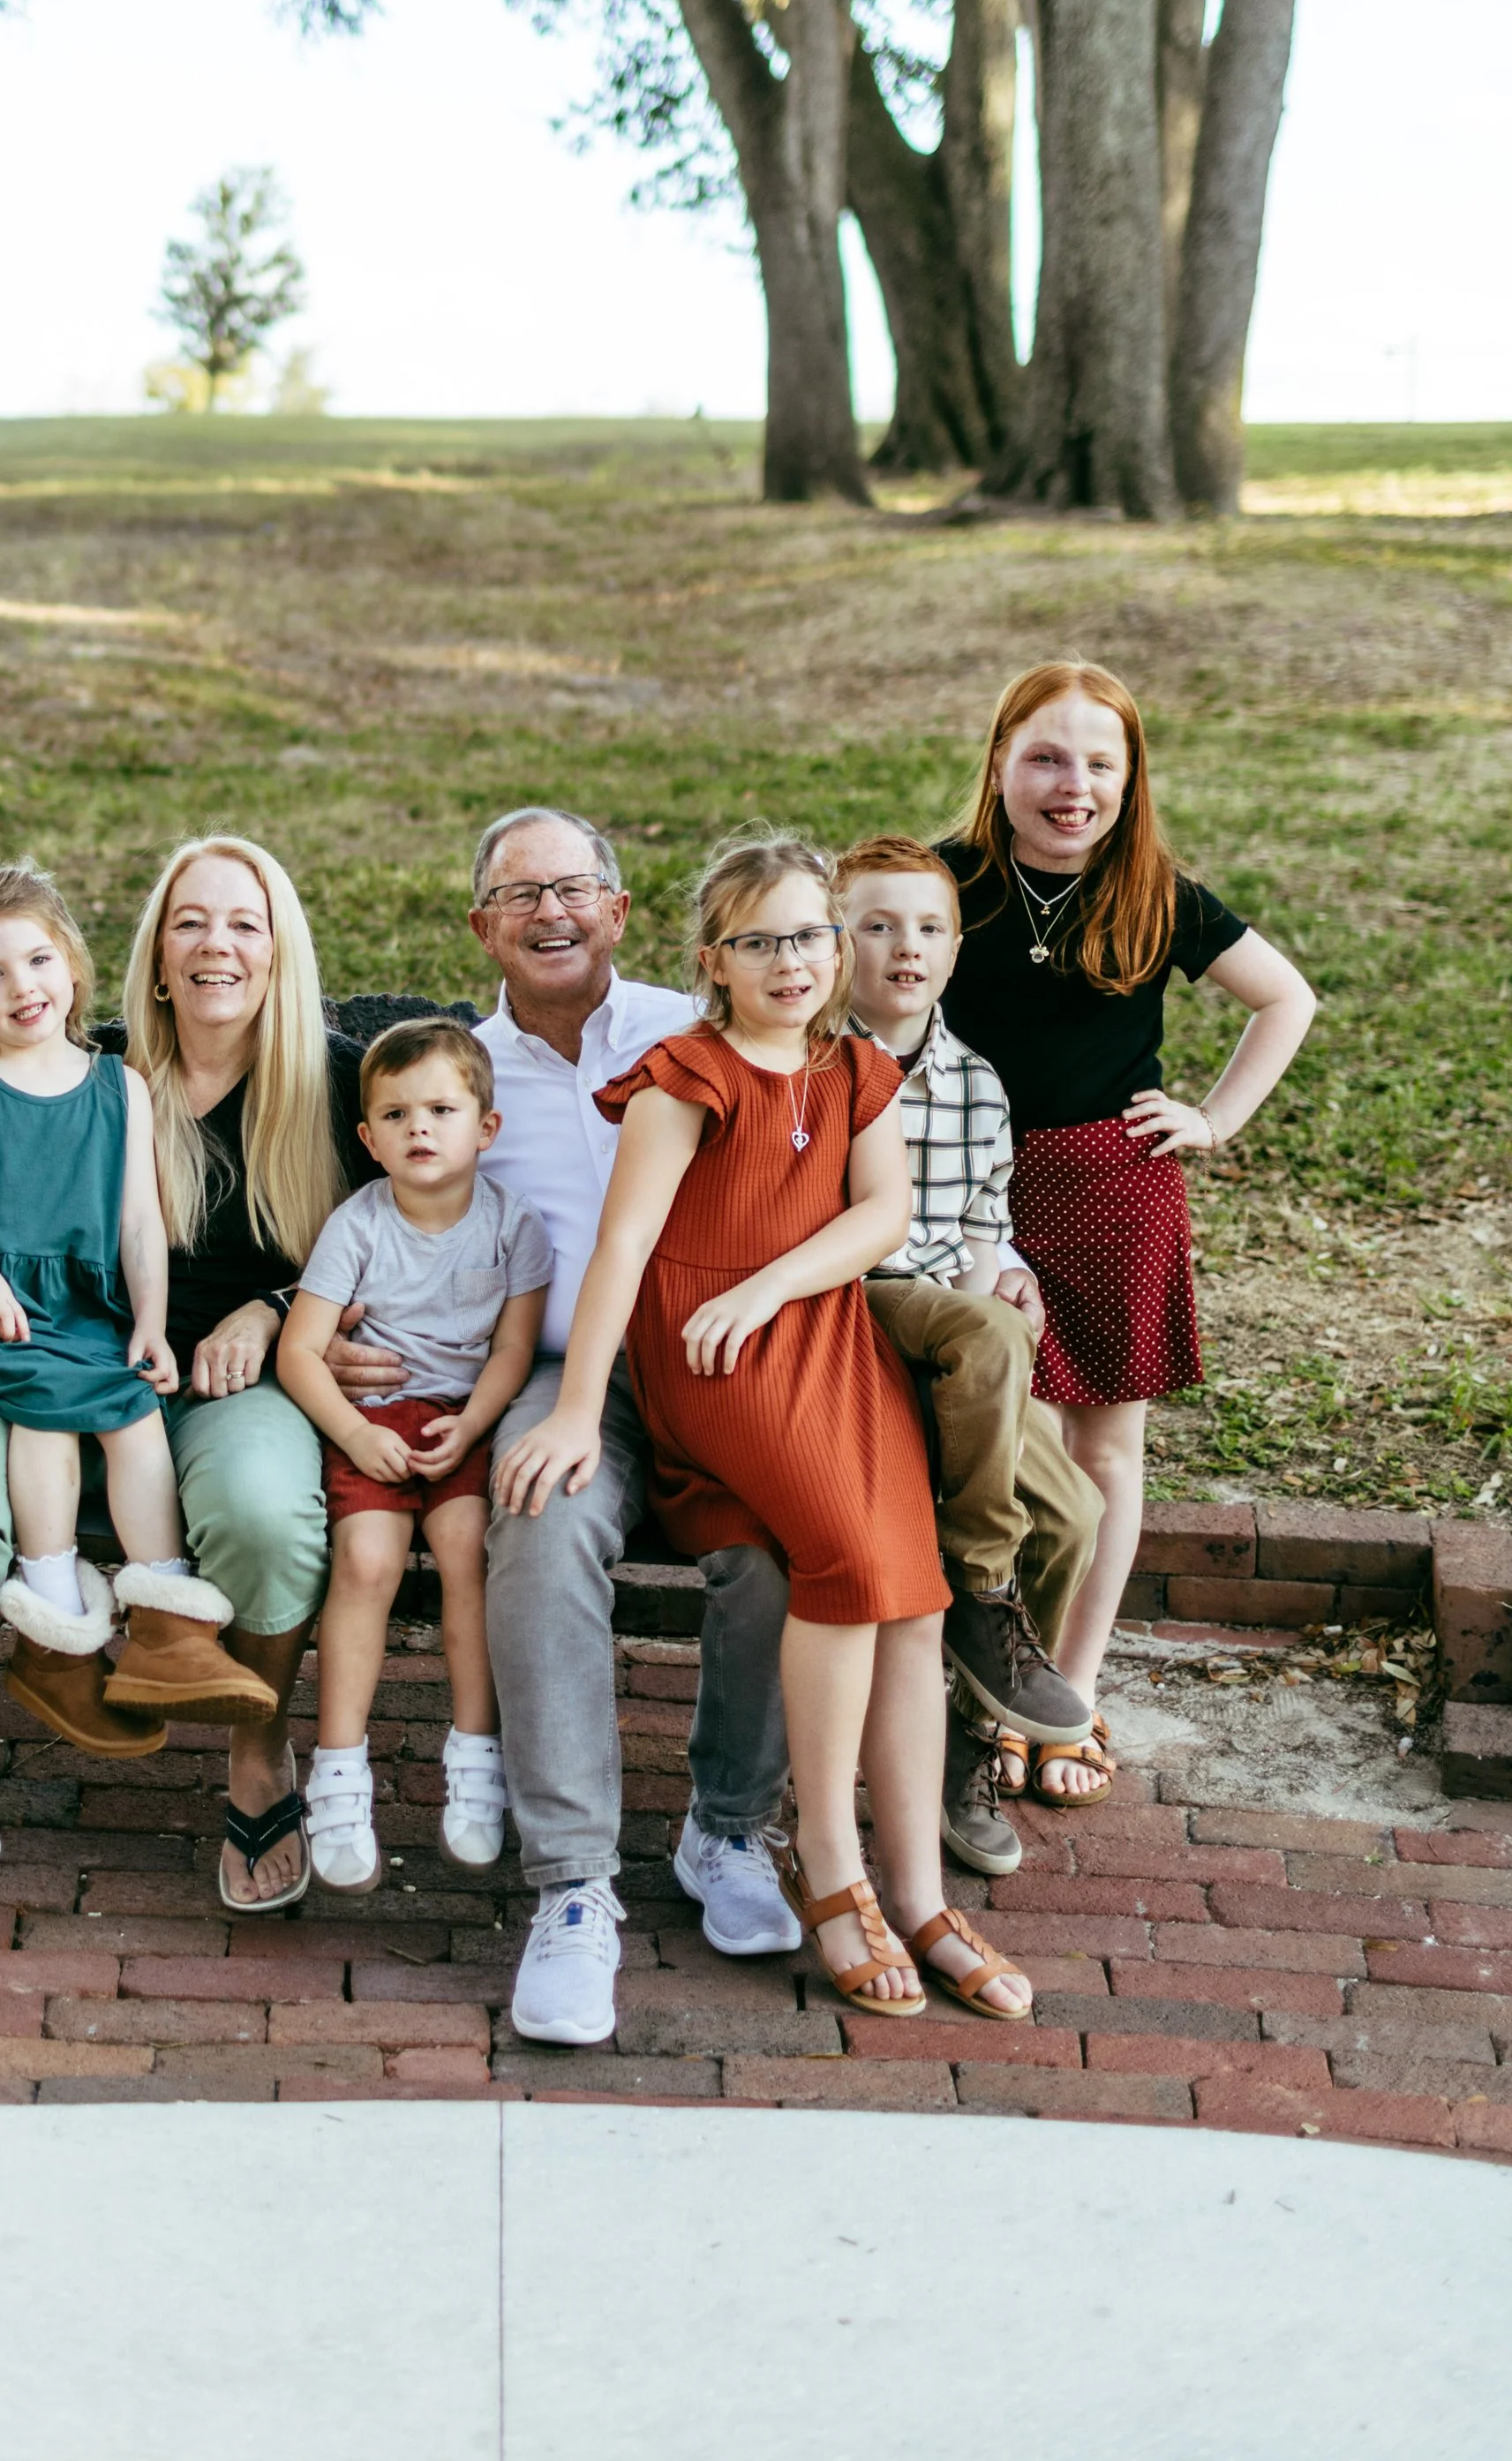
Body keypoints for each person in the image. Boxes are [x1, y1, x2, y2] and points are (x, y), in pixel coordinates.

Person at [502, 835, 1032, 2025]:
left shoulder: (852, 1068)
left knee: (917, 1587)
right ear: (713, 961)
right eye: (761, 941)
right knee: (846, 1561)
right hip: (709, 1347)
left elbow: (882, 1210)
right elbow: (624, 1249)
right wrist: (582, 1408)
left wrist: (775, 1286)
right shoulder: (684, 1073)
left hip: (816, 1329)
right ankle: (830, 1866)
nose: (792, 960)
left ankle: (920, 1893)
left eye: (810, 934)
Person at [0, 836, 383, 1953]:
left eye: (245, 922)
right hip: (25, 1351)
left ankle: (254, 1764)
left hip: (234, 1375)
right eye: (191, 922)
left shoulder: (339, 1081)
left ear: (280, 948)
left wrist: (279, 1304)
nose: (217, 945)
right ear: (152, 957)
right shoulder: (85, 1064)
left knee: (259, 1506)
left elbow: (413, 1230)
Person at [937, 662, 1315, 1806]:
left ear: (1130, 776)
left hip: (1114, 1188)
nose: (1074, 785)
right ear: (999, 760)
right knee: (1011, 1454)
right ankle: (998, 1687)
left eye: (1102, 762)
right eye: (1047, 757)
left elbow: (1283, 997)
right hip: (974, 1191)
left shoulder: (1158, 891)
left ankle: (1074, 1689)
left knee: (1105, 1452)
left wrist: (1211, 1115)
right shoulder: (946, 882)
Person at [468, 808, 799, 2051]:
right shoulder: (460, 1069)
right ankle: (571, 1887)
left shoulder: (699, 1027)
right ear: (481, 925)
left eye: (575, 888)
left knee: (773, 1537)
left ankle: (725, 1826)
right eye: (520, 893)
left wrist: (995, 1250)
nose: (550, 911)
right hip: (563, 1378)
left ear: (617, 909)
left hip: (718, 1359)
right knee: (541, 1519)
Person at [836, 833, 1104, 1878]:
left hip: (963, 1339)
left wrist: (1007, 1272)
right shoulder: (809, 1066)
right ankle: (978, 1591)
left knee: (1073, 1512)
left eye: (930, 928)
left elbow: (985, 1234)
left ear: (955, 951)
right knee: (984, 1330)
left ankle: (969, 1739)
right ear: (835, 938)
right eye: (877, 924)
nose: (907, 946)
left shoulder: (975, 1084)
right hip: (850, 1321)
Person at [276, 1019, 552, 1892]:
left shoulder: (515, 1227)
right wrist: (356, 1433)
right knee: (364, 1557)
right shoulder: (356, 1226)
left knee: (469, 1547)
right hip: (374, 1419)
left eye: (440, 1108)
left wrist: (472, 1426)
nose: (419, 1128)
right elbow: (298, 1350)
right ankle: (339, 1768)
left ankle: (475, 1757)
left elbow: (514, 1350)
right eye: (395, 1114)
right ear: (368, 1139)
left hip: (462, 1421)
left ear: (486, 1128)